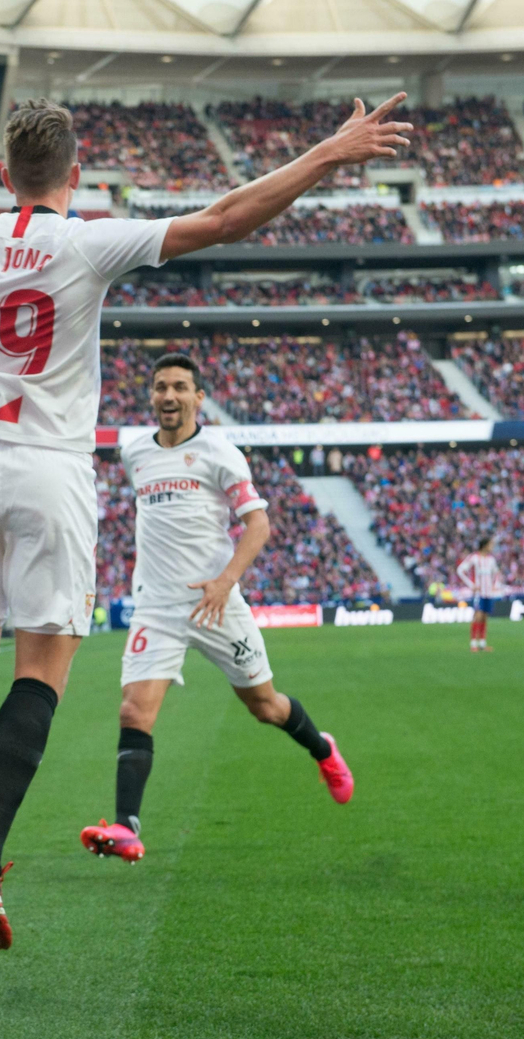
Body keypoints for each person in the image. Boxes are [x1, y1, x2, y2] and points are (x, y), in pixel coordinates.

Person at [0, 89, 410, 948]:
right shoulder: (88, 242)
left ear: (3, 174)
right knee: (41, 672)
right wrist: (326, 154)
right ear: (75, 174)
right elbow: (227, 217)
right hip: (52, 468)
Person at [80, 355, 353, 865]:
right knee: (134, 710)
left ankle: (324, 751)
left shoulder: (219, 452)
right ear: (152, 396)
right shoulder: (134, 451)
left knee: (265, 706)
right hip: (157, 606)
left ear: (198, 397)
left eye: (180, 387)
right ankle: (125, 826)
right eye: (161, 386)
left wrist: (226, 583)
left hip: (216, 603)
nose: (169, 395)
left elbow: (259, 526)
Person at [455, 537, 505, 653]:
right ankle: (473, 643)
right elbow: (460, 570)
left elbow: (496, 573)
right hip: (479, 593)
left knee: (484, 617)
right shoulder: (474, 558)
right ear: (485, 545)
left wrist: (495, 584)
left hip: (489, 593)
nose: (492, 547)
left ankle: (482, 644)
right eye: (490, 545)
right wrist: (471, 585)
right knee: (477, 616)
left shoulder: (491, 560)